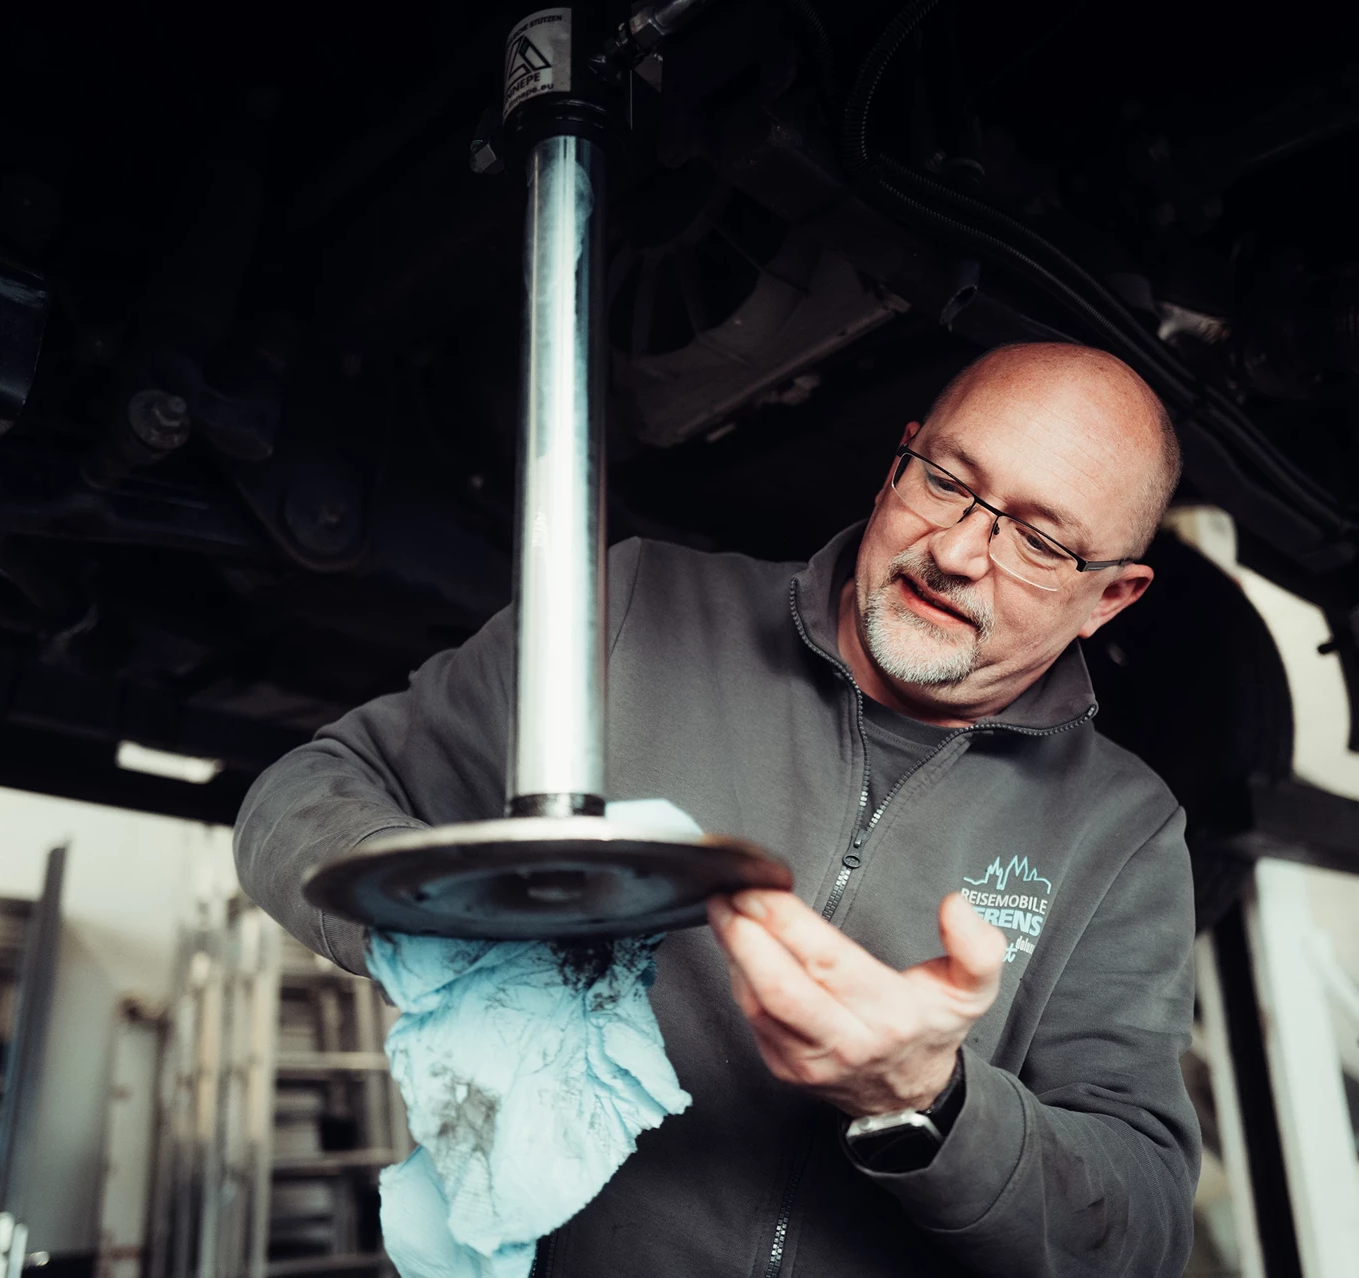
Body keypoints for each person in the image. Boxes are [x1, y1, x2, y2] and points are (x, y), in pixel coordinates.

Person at [235, 341, 1201, 1277]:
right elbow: (307, 790)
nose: (954, 551)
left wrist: (929, 1100)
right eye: (945, 481)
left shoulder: (1123, 830)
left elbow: (1137, 1232)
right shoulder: (637, 606)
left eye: (1037, 541)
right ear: (894, 466)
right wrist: (440, 928)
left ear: (1110, 598)